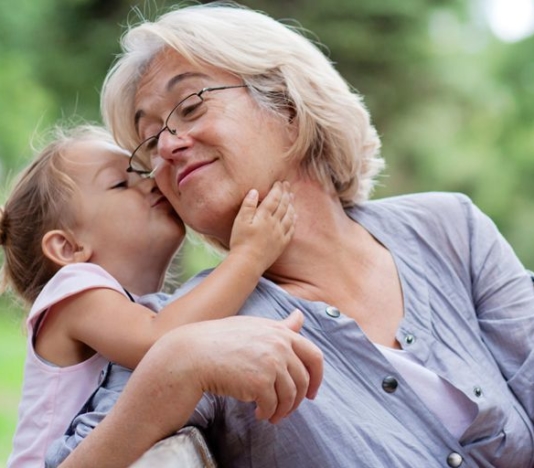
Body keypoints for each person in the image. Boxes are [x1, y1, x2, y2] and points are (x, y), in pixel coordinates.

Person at [53, 2, 534, 467]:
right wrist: (177, 361)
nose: (169, 148)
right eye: (152, 140)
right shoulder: (184, 328)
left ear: (288, 105)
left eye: (191, 106)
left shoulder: (449, 227)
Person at [0, 124, 299, 468]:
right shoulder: (72, 290)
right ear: (68, 247)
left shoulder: (122, 305)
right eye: (120, 183)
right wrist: (250, 255)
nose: (151, 180)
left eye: (141, 171)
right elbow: (162, 343)